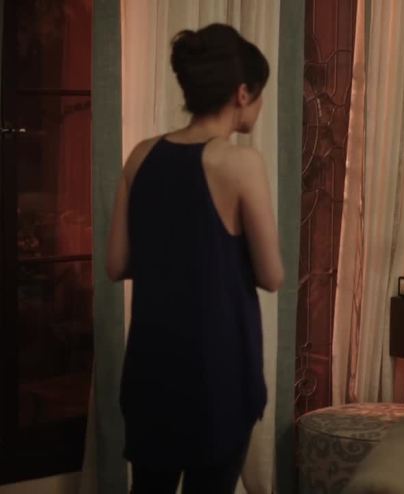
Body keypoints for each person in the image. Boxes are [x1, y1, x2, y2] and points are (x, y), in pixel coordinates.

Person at [105, 23, 284, 492]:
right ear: (242, 93)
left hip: (151, 367)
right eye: (259, 94)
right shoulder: (241, 163)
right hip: (218, 371)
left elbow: (116, 263)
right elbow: (272, 275)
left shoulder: (140, 156)